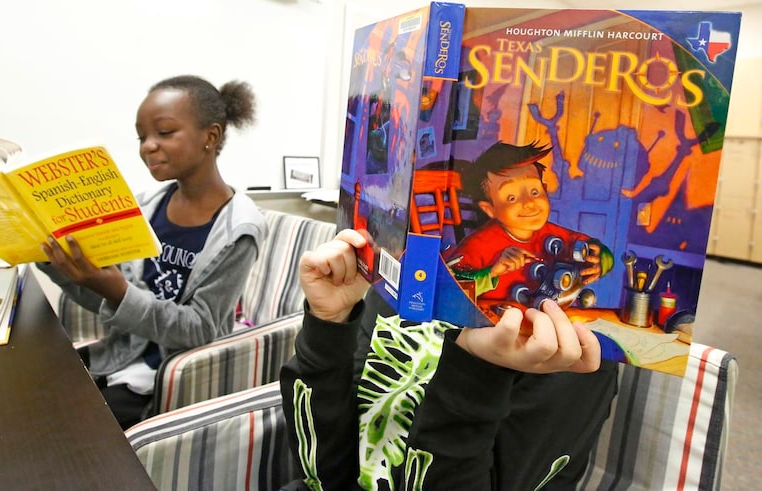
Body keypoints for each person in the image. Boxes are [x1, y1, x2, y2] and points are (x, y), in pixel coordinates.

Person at [279, 229, 619, 490]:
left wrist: (477, 369)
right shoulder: (405, 294)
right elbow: (321, 474)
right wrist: (328, 324)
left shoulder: (568, 356)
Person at [36, 75, 267, 429]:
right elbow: (109, 303)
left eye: (165, 132)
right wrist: (56, 264)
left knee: (74, 428)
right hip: (122, 354)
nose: (148, 147)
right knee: (35, 386)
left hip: (176, 376)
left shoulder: (238, 230)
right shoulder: (145, 208)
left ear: (212, 136)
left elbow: (201, 328)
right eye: (142, 137)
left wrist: (117, 291)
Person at [444, 141, 614, 305]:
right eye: (512, 197)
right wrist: (492, 272)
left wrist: (601, 260)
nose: (528, 203)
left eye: (534, 191)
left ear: (545, 190)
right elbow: (450, 290)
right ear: (490, 209)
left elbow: (597, 249)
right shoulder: (478, 245)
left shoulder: (553, 234)